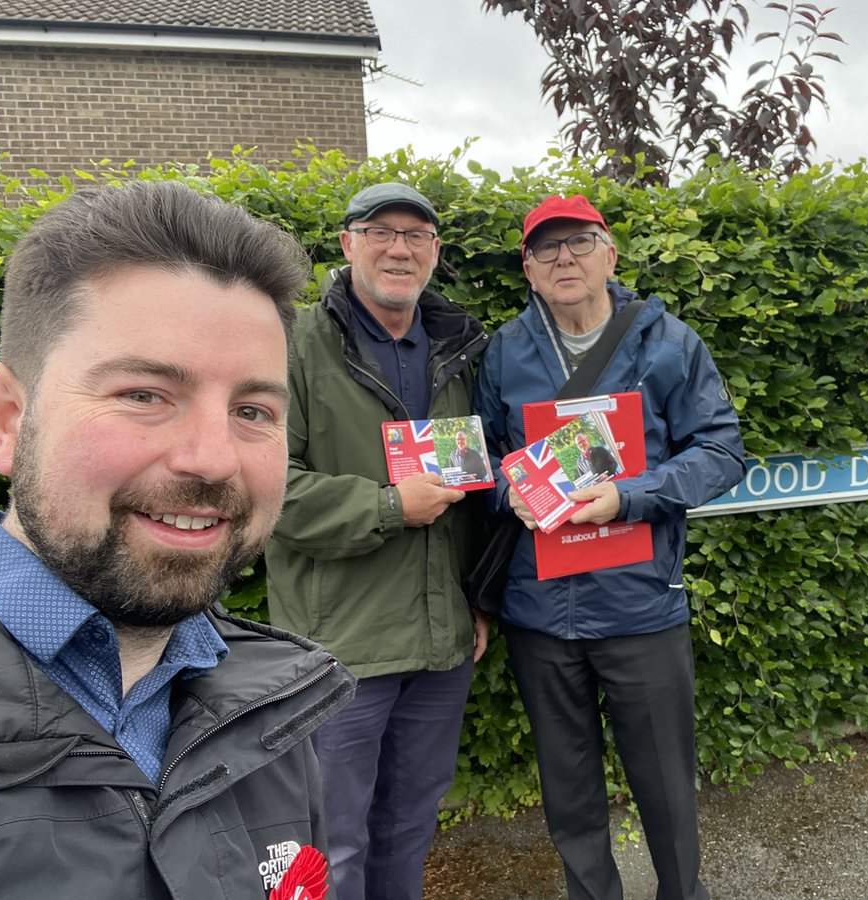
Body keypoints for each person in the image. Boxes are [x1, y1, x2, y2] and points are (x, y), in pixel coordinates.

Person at [0, 180, 356, 898]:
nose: (214, 458)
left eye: (252, 410)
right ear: (8, 417)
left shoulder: (274, 709)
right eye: (143, 395)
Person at [476, 194, 746, 900]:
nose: (564, 258)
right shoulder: (503, 352)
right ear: (527, 269)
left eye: (580, 243)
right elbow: (486, 466)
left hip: (640, 606)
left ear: (610, 254)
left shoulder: (667, 342)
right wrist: (515, 495)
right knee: (569, 799)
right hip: (539, 610)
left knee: (666, 792)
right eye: (546, 249)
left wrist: (631, 495)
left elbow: (721, 452)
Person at [264, 182, 489, 899]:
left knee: (410, 825)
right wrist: (390, 507)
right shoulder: (293, 344)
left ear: (435, 252)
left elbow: (473, 498)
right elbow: (265, 486)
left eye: (416, 235)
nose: (399, 247)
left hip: (440, 643)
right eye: (381, 230)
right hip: (339, 645)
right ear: (347, 243)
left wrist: (476, 602)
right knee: (329, 839)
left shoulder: (457, 347)